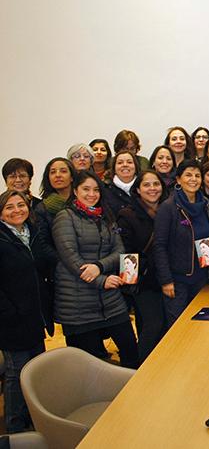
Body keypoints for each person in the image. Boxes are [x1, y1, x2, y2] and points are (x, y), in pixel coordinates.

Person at [51, 171, 139, 367]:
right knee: (88, 366)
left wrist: (100, 267)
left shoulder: (106, 217)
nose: (92, 194)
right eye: (86, 189)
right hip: (78, 305)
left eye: (96, 190)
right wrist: (102, 280)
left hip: (111, 300)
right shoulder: (65, 217)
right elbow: (70, 258)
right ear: (75, 191)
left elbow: (119, 250)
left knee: (130, 352)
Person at [0, 190, 57, 433]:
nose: (16, 211)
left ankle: (36, 419)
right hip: (11, 320)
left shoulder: (31, 232)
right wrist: (9, 313)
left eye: (20, 205)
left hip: (34, 315)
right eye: (9, 207)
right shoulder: (3, 238)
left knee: (35, 370)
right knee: (15, 374)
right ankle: (15, 427)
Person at [153, 160, 209, 327]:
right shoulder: (168, 208)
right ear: (178, 179)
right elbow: (159, 246)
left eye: (197, 175)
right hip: (177, 281)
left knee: (203, 326)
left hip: (203, 279)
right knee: (179, 328)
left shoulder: (207, 205)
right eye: (188, 175)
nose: (193, 179)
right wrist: (166, 280)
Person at [116, 170, 168, 362]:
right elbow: (126, 251)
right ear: (137, 189)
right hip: (144, 281)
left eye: (156, 184)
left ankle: (160, 364)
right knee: (152, 325)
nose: (152, 189)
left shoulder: (168, 209)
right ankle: (141, 368)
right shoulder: (127, 215)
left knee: (165, 326)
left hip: (166, 277)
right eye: (147, 185)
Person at [104, 151, 141, 217]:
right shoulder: (105, 188)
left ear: (136, 167)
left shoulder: (144, 187)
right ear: (114, 168)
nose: (125, 165)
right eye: (120, 163)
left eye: (129, 162)